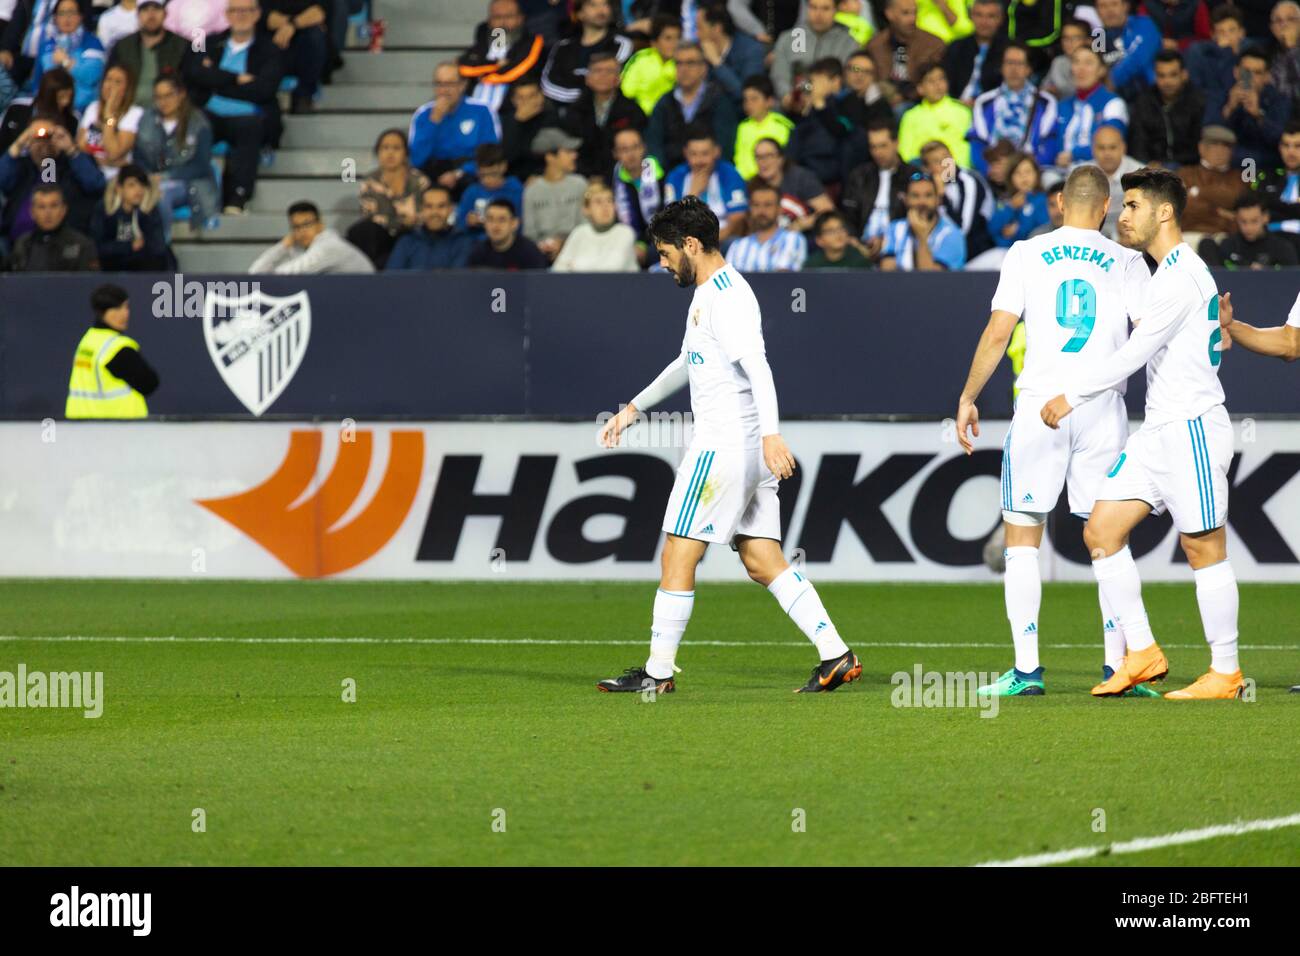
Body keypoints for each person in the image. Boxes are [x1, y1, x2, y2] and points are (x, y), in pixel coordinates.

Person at [594, 194, 862, 695]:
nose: (662, 261)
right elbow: (687, 360)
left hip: (722, 448)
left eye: (666, 252)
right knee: (762, 559)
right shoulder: (710, 291)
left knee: (677, 550)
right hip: (746, 451)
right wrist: (634, 408)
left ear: (691, 244)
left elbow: (758, 365)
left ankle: (657, 673)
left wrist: (772, 435)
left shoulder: (727, 296)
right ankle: (835, 655)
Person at [1041, 167, 1242, 700]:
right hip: (1157, 431)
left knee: (1203, 547)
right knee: (1101, 531)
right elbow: (1206, 347)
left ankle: (1226, 671)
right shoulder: (1167, 273)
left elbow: (1133, 354)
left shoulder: (1181, 276)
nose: (1122, 215)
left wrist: (1071, 396)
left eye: (1131, 206)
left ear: (1164, 212)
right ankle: (1143, 652)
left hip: (1192, 428)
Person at [956, 164, 1153, 697]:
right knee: (1108, 540)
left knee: (1022, 536)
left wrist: (969, 397)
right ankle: (1119, 670)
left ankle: (1026, 671)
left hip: (1041, 405)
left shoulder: (1025, 253)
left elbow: (999, 332)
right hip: (1101, 407)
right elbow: (1146, 339)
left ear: (1061, 204)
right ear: (1107, 207)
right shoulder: (1130, 260)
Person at [183, 0, 285, 213]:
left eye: (246, 10)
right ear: (226, 15)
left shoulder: (271, 48)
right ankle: (190, 196)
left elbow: (264, 90)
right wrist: (236, 78)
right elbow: (193, 73)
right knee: (192, 123)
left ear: (257, 14)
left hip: (250, 116)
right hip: (209, 112)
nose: (240, 15)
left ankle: (237, 196)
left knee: (249, 128)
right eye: (235, 10)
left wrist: (216, 82)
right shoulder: (204, 41)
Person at [132, 73, 219, 233]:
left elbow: (201, 165)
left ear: (181, 94)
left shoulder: (199, 123)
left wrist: (165, 177)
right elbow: (139, 156)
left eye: (168, 96)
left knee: (161, 195)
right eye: (158, 97)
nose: (163, 102)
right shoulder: (146, 120)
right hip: (150, 180)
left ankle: (162, 247)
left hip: (189, 183)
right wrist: (147, 177)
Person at [1, 117, 106, 242]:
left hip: (65, 244)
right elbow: (2, 180)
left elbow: (96, 185)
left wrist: (71, 149)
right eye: (37, 137)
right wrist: (18, 144)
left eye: (50, 136)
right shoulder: (22, 166)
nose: (44, 142)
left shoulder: (73, 164)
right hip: (18, 245)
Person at [66, 283, 158, 419]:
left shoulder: (88, 340)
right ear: (102, 312)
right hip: (117, 427)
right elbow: (149, 384)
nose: (124, 313)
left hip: (81, 425)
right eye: (116, 308)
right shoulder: (118, 349)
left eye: (126, 307)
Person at [968, 39, 1059, 174]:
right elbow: (977, 143)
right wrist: (989, 169)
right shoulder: (984, 102)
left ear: (1028, 69)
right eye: (1009, 63)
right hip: (993, 173)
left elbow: (1050, 143)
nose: (1013, 69)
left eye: (1019, 64)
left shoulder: (1046, 102)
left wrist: (1024, 171)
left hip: (1032, 173)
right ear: (1002, 67)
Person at [408, 60, 498, 194]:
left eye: (449, 84)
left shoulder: (482, 111)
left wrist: (459, 173)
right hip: (433, 175)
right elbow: (416, 160)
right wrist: (433, 122)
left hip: (470, 174)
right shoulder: (423, 114)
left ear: (462, 85)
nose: (443, 90)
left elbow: (491, 155)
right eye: (439, 84)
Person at [644, 40, 738, 169]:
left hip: (712, 175)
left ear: (703, 68)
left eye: (690, 63)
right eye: (679, 63)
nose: (683, 69)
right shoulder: (664, 102)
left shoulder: (719, 100)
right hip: (670, 178)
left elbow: (724, 147)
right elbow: (654, 145)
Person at [345, 127, 430, 268]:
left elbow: (422, 215)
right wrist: (399, 222)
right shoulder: (370, 182)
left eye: (396, 148)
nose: (390, 153)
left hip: (412, 235)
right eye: (385, 148)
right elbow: (371, 218)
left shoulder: (419, 181)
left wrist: (408, 222)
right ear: (378, 152)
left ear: (406, 153)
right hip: (381, 239)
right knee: (362, 230)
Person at [570, 49, 646, 181]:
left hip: (623, 176)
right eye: (598, 71)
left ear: (618, 78)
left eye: (609, 71)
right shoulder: (575, 110)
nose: (603, 76)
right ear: (588, 78)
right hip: (582, 178)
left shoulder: (632, 110)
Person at [662, 124, 747, 241]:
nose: (699, 161)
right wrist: (693, 194)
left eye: (705, 154)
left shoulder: (729, 173)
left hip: (721, 239)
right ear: (685, 153)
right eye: (694, 154)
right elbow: (670, 220)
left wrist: (709, 245)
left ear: (716, 152)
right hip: (685, 241)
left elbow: (737, 217)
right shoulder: (676, 176)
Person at [1209, 46, 1290, 169]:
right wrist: (1230, 107)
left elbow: (1281, 139)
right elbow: (1209, 132)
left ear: (1267, 76)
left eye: (1257, 73)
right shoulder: (1221, 95)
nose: (1251, 78)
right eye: (1246, 72)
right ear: (1236, 72)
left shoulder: (1279, 100)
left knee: (1248, 159)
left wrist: (1258, 115)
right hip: (1227, 155)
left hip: (1264, 159)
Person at [539, 0, 632, 105]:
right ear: (579, 14)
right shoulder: (562, 47)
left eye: (605, 4)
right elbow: (549, 86)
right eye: (592, 5)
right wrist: (586, 91)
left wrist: (577, 83)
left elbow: (607, 82)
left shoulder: (621, 43)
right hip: (563, 113)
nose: (601, 10)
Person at [769, 0, 857, 109]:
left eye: (825, 8)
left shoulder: (849, 43)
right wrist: (787, 97)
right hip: (792, 107)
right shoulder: (788, 38)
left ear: (836, 10)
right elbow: (779, 75)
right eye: (813, 7)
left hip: (833, 108)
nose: (818, 14)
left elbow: (849, 79)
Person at [249, 200, 375, 273]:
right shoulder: (299, 247)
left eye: (307, 224)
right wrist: (283, 246)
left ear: (320, 224)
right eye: (296, 227)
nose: (302, 231)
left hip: (369, 295)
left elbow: (293, 272)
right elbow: (255, 272)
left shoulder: (330, 245)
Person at [1052, 47, 1129, 167]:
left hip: (1099, 171)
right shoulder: (1062, 105)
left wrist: (1074, 155)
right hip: (1061, 172)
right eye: (1076, 62)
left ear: (1101, 70)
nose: (1080, 69)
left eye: (1088, 63)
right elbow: (1051, 142)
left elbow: (1112, 145)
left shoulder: (1113, 104)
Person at [1127, 49, 1204, 167]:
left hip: (1189, 167)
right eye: (1161, 75)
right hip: (1150, 168)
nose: (1167, 81)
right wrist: (1147, 164)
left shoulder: (1197, 101)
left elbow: (1199, 145)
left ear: (1184, 75)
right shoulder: (1143, 102)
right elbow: (1138, 143)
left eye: (1173, 75)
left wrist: (1170, 165)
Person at [106, 0, 189, 106]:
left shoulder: (182, 46)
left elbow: (189, 86)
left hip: (169, 111)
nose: (151, 15)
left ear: (165, 13)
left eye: (156, 9)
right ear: (138, 15)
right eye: (145, 10)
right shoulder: (122, 46)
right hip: (128, 109)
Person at [879, 170, 966, 271]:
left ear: (938, 200)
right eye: (915, 196)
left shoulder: (952, 234)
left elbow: (930, 281)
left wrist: (922, 238)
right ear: (906, 200)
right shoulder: (894, 229)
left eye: (928, 195)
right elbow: (887, 275)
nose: (922, 202)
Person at [522, 126, 586, 260]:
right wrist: (544, 246)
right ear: (550, 157)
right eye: (568, 152)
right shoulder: (532, 190)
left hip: (578, 252)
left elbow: (585, 226)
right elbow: (529, 234)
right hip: (541, 256)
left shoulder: (580, 184)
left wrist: (563, 243)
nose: (575, 155)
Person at [89, 161, 169, 269]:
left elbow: (158, 247)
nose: (138, 190)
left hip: (143, 269)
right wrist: (128, 246)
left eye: (142, 185)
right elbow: (97, 247)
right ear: (119, 188)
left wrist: (144, 216)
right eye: (132, 185)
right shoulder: (105, 209)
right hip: (111, 268)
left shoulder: (149, 210)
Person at [29, 0, 103, 113]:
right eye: (62, 13)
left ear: (80, 16)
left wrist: (66, 62)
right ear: (55, 18)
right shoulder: (47, 46)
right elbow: (38, 81)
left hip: (81, 109)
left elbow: (91, 77)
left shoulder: (93, 43)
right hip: (49, 110)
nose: (66, 18)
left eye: (71, 12)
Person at [1176, 124, 1246, 241]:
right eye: (1214, 145)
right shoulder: (1185, 174)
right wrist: (1219, 212)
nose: (1219, 151)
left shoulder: (1239, 177)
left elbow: (1234, 198)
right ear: (1201, 148)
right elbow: (1183, 207)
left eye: (1225, 146)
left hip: (1224, 238)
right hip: (1189, 235)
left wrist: (1198, 192)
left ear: (1231, 152)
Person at [866, 0, 945, 105]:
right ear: (889, 14)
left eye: (915, 13)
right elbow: (870, 77)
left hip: (919, 102)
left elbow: (935, 80)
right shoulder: (875, 45)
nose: (912, 19)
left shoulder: (933, 45)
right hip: (882, 100)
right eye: (905, 13)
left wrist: (904, 97)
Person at [551, 179, 639, 271]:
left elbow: (612, 267)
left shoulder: (625, 232)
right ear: (586, 209)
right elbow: (558, 270)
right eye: (598, 202)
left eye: (609, 201)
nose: (606, 207)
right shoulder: (579, 233)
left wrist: (575, 266)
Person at [749, 137, 833, 233]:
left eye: (769, 156)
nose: (763, 162)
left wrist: (801, 225)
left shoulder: (801, 178)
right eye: (758, 157)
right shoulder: (752, 185)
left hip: (805, 237)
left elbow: (828, 211)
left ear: (781, 159)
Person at [6, 180, 97, 268]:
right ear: (32, 212)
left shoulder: (82, 245)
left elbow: (89, 281)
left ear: (63, 210)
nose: (48, 213)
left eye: (53, 206)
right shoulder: (23, 244)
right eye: (42, 207)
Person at [898, 63, 973, 169]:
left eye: (941, 79)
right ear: (920, 88)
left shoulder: (962, 112)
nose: (938, 85)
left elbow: (967, 149)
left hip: (956, 172)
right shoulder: (910, 116)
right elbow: (906, 154)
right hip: (924, 175)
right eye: (931, 81)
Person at [77, 62, 142, 180]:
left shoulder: (134, 113)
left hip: (116, 177)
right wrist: (102, 160)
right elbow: (80, 146)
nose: (110, 86)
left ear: (127, 88)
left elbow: (113, 153)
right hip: (88, 173)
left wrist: (109, 116)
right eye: (108, 79)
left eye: (118, 82)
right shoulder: (93, 108)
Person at [385, 184, 474, 270]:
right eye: (429, 206)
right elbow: (391, 279)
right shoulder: (407, 241)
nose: (435, 212)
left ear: (450, 209)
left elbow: (458, 280)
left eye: (441, 206)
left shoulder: (463, 242)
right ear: (421, 209)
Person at [1198, 193, 1299, 267]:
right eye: (1243, 221)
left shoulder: (1283, 247)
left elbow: (1290, 281)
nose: (1248, 227)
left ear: (1265, 218)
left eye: (1254, 221)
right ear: (1236, 219)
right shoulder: (1227, 246)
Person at [725, 180, 807, 271]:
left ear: (780, 209)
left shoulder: (793, 239)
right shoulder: (737, 246)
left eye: (768, 205)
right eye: (756, 205)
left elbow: (784, 278)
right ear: (750, 209)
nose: (761, 211)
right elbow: (730, 281)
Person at [263, 0, 328, 114]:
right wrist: (292, 23)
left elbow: (319, 13)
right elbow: (261, 15)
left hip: (306, 44)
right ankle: (263, 97)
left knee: (314, 36)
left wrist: (292, 25)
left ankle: (304, 96)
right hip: (274, 40)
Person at [695, 2, 764, 106]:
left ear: (717, 28)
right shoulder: (697, 50)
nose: (696, 34)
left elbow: (747, 97)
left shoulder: (751, 50)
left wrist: (717, 63)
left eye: (700, 28)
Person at [943, 0, 1008, 107]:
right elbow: (946, 81)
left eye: (991, 16)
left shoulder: (1009, 50)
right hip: (956, 106)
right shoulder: (956, 47)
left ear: (1000, 19)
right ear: (970, 17)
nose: (984, 22)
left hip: (993, 108)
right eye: (979, 15)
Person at [1094, 0, 1159, 101]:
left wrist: (1112, 79)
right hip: (1113, 100)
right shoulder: (1098, 36)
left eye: (1114, 4)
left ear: (1126, 6)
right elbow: (1095, 69)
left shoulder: (1144, 24)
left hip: (1149, 96)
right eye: (1103, 6)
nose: (1109, 10)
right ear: (1097, 11)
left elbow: (1138, 59)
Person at [1087, 122, 1142, 238]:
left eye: (1112, 147)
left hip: (1130, 234)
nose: (1107, 153)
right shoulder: (1084, 175)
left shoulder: (1139, 174)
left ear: (1123, 148)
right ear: (1093, 149)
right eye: (1101, 148)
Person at [733, 73, 792, 180]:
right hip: (745, 184)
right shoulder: (743, 127)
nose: (748, 104)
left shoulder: (782, 126)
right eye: (746, 99)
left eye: (754, 99)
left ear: (769, 101)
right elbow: (739, 160)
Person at [619, 13, 678, 116]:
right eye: (668, 38)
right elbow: (626, 92)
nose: (675, 43)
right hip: (641, 118)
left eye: (678, 38)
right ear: (654, 42)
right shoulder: (640, 59)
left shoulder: (685, 62)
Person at [467, 196, 548, 269]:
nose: (495, 226)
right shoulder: (478, 252)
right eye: (490, 219)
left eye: (502, 220)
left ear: (514, 223)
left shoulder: (530, 253)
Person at [989, 151, 1048, 246]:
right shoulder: (1005, 201)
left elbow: (1044, 228)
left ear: (1036, 174)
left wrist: (1017, 230)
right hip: (1007, 251)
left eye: (1028, 171)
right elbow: (993, 229)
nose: (1024, 176)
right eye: (1017, 173)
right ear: (1010, 177)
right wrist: (1010, 207)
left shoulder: (1043, 199)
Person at [804, 207, 872, 267]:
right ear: (819, 240)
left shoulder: (860, 261)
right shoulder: (812, 265)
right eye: (831, 231)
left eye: (841, 228)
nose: (838, 234)